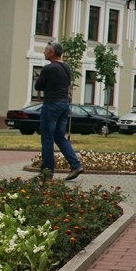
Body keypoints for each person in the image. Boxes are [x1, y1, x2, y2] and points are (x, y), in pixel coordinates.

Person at [34, 42, 84, 180]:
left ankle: (47, 173)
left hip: (51, 105)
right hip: (64, 105)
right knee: (59, 137)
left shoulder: (49, 68)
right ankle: (76, 165)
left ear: (52, 53)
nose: (44, 53)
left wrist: (38, 79)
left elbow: (38, 87)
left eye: (45, 51)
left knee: (47, 138)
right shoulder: (67, 67)